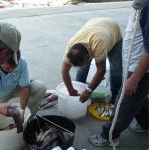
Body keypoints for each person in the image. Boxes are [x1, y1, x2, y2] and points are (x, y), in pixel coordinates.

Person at [89, 2, 149, 147]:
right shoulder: (141, 5)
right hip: (133, 64)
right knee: (137, 97)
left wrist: (134, 78)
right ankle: (145, 123)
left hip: (139, 69)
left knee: (123, 104)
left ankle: (109, 136)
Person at [61, 17, 123, 104]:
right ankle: (79, 90)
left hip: (112, 30)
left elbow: (101, 71)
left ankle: (116, 95)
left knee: (116, 69)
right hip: (95, 25)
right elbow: (64, 71)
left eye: (81, 63)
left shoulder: (98, 44)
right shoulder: (70, 47)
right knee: (82, 69)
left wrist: (88, 91)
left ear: (88, 56)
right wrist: (71, 90)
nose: (80, 66)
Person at [0, 51, 46, 119]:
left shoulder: (21, 62)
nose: (12, 71)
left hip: (15, 88)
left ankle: (28, 118)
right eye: (8, 68)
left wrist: (22, 111)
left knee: (40, 88)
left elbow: (25, 88)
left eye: (15, 67)